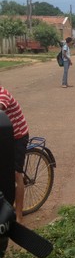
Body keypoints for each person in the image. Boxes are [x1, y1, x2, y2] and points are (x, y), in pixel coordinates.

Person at [0, 85, 29, 223]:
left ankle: (18, 216)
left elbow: (1, 107)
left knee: (17, 174)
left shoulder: (3, 94)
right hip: (5, 136)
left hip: (18, 136)